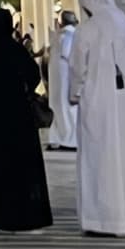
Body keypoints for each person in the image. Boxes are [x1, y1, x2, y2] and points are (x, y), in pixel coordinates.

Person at [70, 0, 125, 236]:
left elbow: (77, 69)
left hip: (98, 105)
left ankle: (102, 220)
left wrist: (74, 94)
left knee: (100, 158)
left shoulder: (88, 30)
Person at [0, 8, 52, 233]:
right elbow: (33, 75)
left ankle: (1, 218)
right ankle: (30, 216)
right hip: (18, 113)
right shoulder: (15, 49)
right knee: (24, 165)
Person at [47, 10, 80, 151]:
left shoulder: (60, 36)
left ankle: (62, 138)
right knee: (67, 110)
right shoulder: (71, 35)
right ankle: (67, 139)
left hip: (59, 81)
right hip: (65, 80)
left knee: (62, 110)